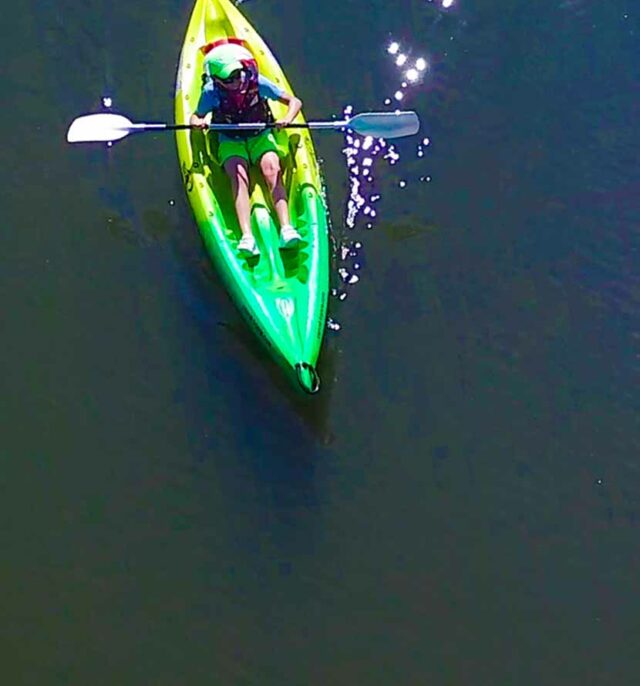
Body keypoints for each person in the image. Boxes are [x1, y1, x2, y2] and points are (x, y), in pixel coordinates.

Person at [189, 39, 303, 258]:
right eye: (229, 78)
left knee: (272, 169)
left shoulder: (256, 82)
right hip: (230, 139)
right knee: (238, 175)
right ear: (217, 80)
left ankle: (286, 228)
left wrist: (287, 118)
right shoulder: (211, 92)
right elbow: (197, 115)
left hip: (259, 134)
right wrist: (197, 122)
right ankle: (247, 237)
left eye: (237, 74)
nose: (236, 80)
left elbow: (294, 101)